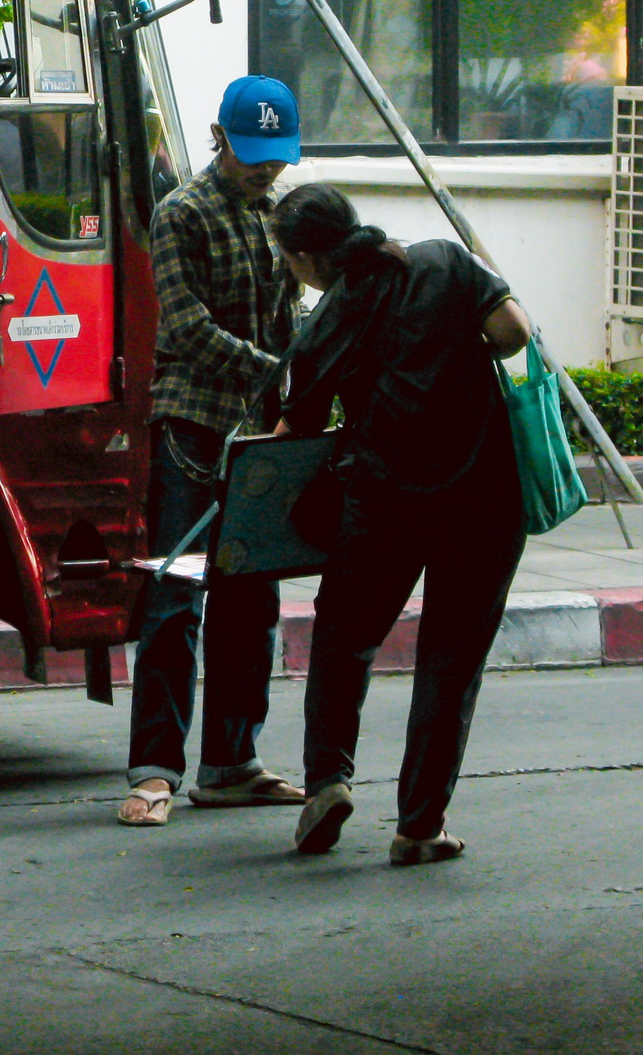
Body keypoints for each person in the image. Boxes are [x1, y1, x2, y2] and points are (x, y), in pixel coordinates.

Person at [256, 183, 533, 864]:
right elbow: (513, 332)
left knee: (345, 639)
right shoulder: (443, 260)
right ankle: (419, 825)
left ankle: (328, 782)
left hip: (381, 502)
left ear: (303, 258)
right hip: (483, 497)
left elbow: (297, 431)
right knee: (450, 659)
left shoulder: (325, 324)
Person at [118, 75, 304, 829]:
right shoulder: (181, 214)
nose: (264, 171)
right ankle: (155, 769)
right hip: (194, 428)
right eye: (252, 155)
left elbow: (295, 309)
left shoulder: (282, 216)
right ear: (218, 139)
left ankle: (231, 763)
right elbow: (189, 329)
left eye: (276, 158)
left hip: (262, 432)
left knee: (252, 598)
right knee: (174, 599)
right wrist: (280, 370)